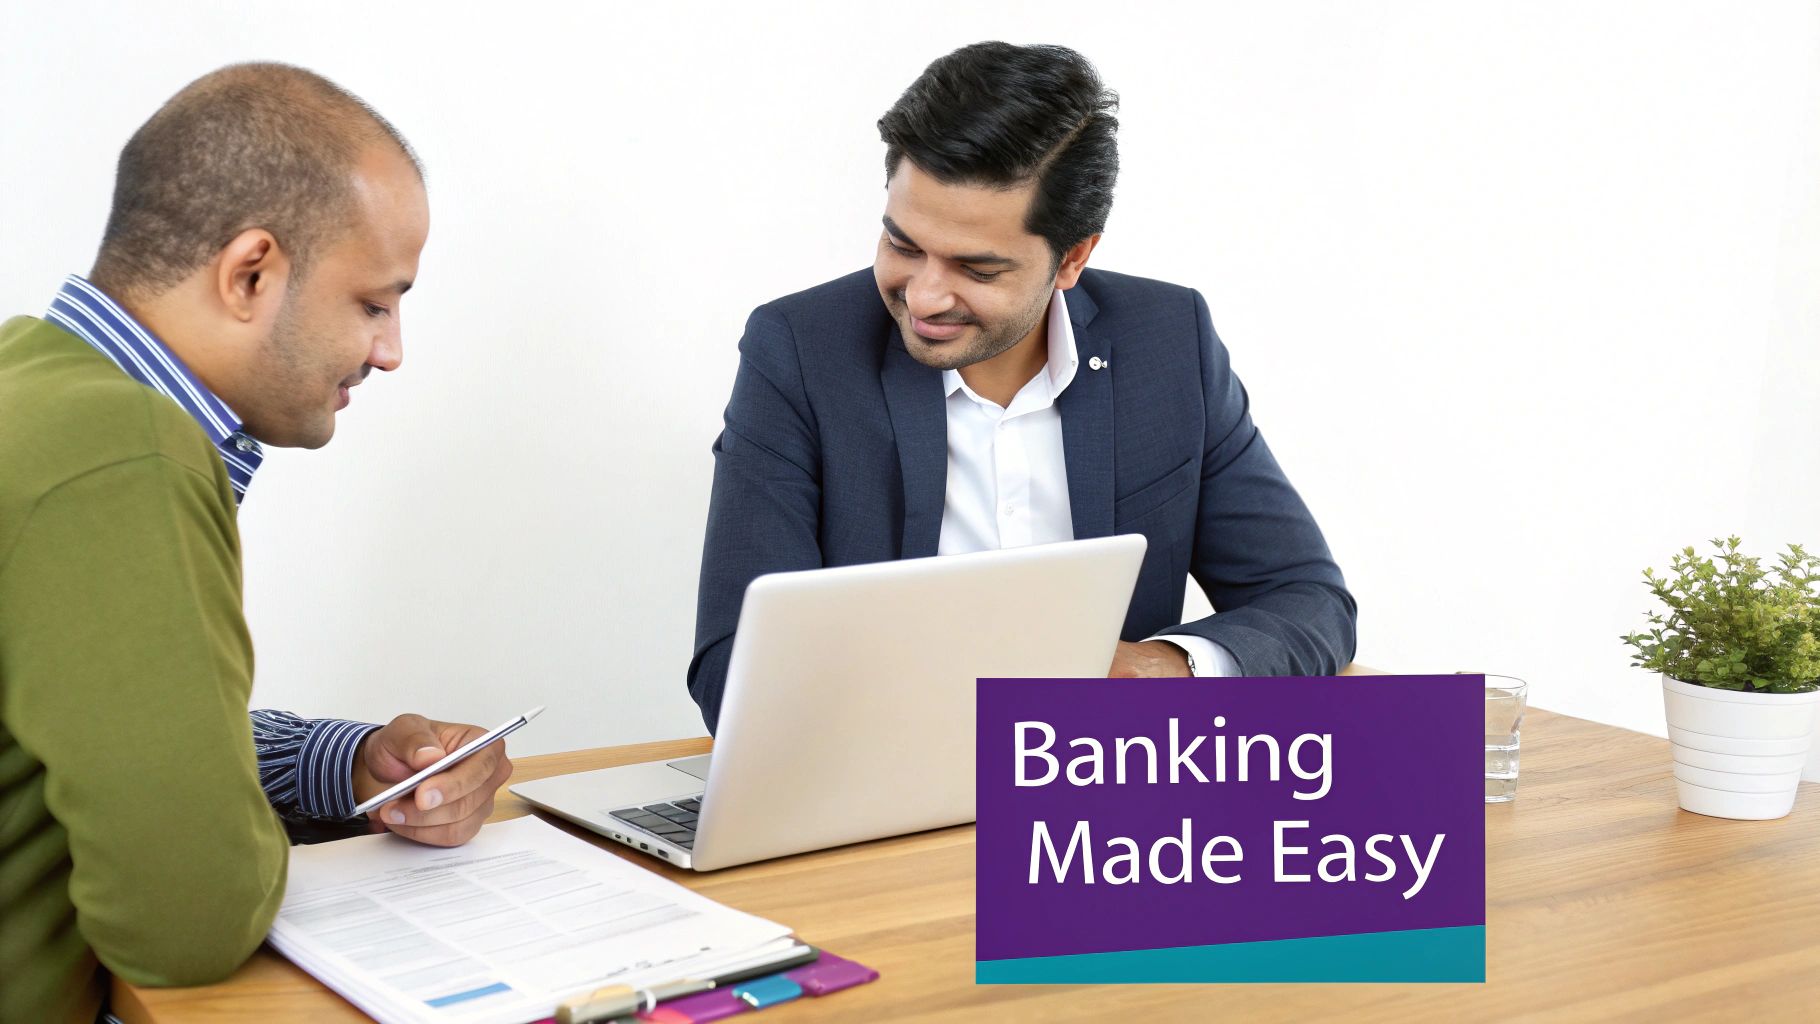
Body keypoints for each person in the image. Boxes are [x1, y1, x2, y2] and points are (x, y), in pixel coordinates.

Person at [0, 64, 512, 1023]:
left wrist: (348, 761)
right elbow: (186, 918)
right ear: (251, 273)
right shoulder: (123, 453)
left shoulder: (28, 381)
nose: (391, 349)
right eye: (373, 303)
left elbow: (73, 739)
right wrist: (225, 844)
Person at [688, 42, 1357, 733]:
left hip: (1110, 789)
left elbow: (1308, 598)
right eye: (903, 245)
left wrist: (1164, 667)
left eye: (977, 270)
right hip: (890, 791)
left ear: (1072, 258)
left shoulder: (1168, 343)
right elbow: (732, 669)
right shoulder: (801, 351)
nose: (924, 296)